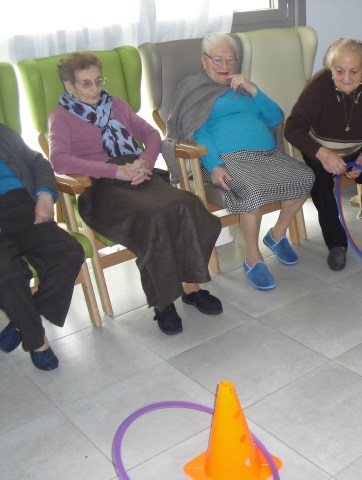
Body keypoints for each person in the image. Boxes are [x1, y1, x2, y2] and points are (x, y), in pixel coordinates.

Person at [48, 52, 223, 335]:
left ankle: (191, 288)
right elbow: (59, 160)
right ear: (69, 86)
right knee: (153, 218)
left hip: (139, 174)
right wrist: (115, 171)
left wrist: (145, 162)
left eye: (98, 81)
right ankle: (164, 302)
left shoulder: (115, 104)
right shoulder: (61, 117)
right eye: (85, 84)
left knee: (187, 204)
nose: (94, 89)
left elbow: (151, 135)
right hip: (101, 187)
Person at [163, 32, 315, 291]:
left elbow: (275, 117)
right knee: (252, 191)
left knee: (306, 177)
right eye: (217, 59)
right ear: (203, 60)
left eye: (230, 59)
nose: (225, 66)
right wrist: (214, 165)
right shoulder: (193, 88)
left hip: (267, 156)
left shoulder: (243, 87)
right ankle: (253, 257)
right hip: (225, 160)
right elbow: (196, 130)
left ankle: (276, 235)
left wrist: (254, 90)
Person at [285, 37, 362, 271]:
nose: (346, 78)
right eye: (339, 71)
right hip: (320, 149)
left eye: (354, 71)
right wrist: (323, 154)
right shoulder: (319, 86)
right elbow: (292, 127)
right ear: (331, 68)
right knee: (319, 183)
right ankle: (336, 244)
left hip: (358, 150)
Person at [0, 123, 84, 370]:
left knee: (69, 253)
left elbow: (38, 163)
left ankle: (22, 323)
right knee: (8, 274)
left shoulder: (3, 132)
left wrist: (45, 195)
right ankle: (37, 342)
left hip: (25, 207)